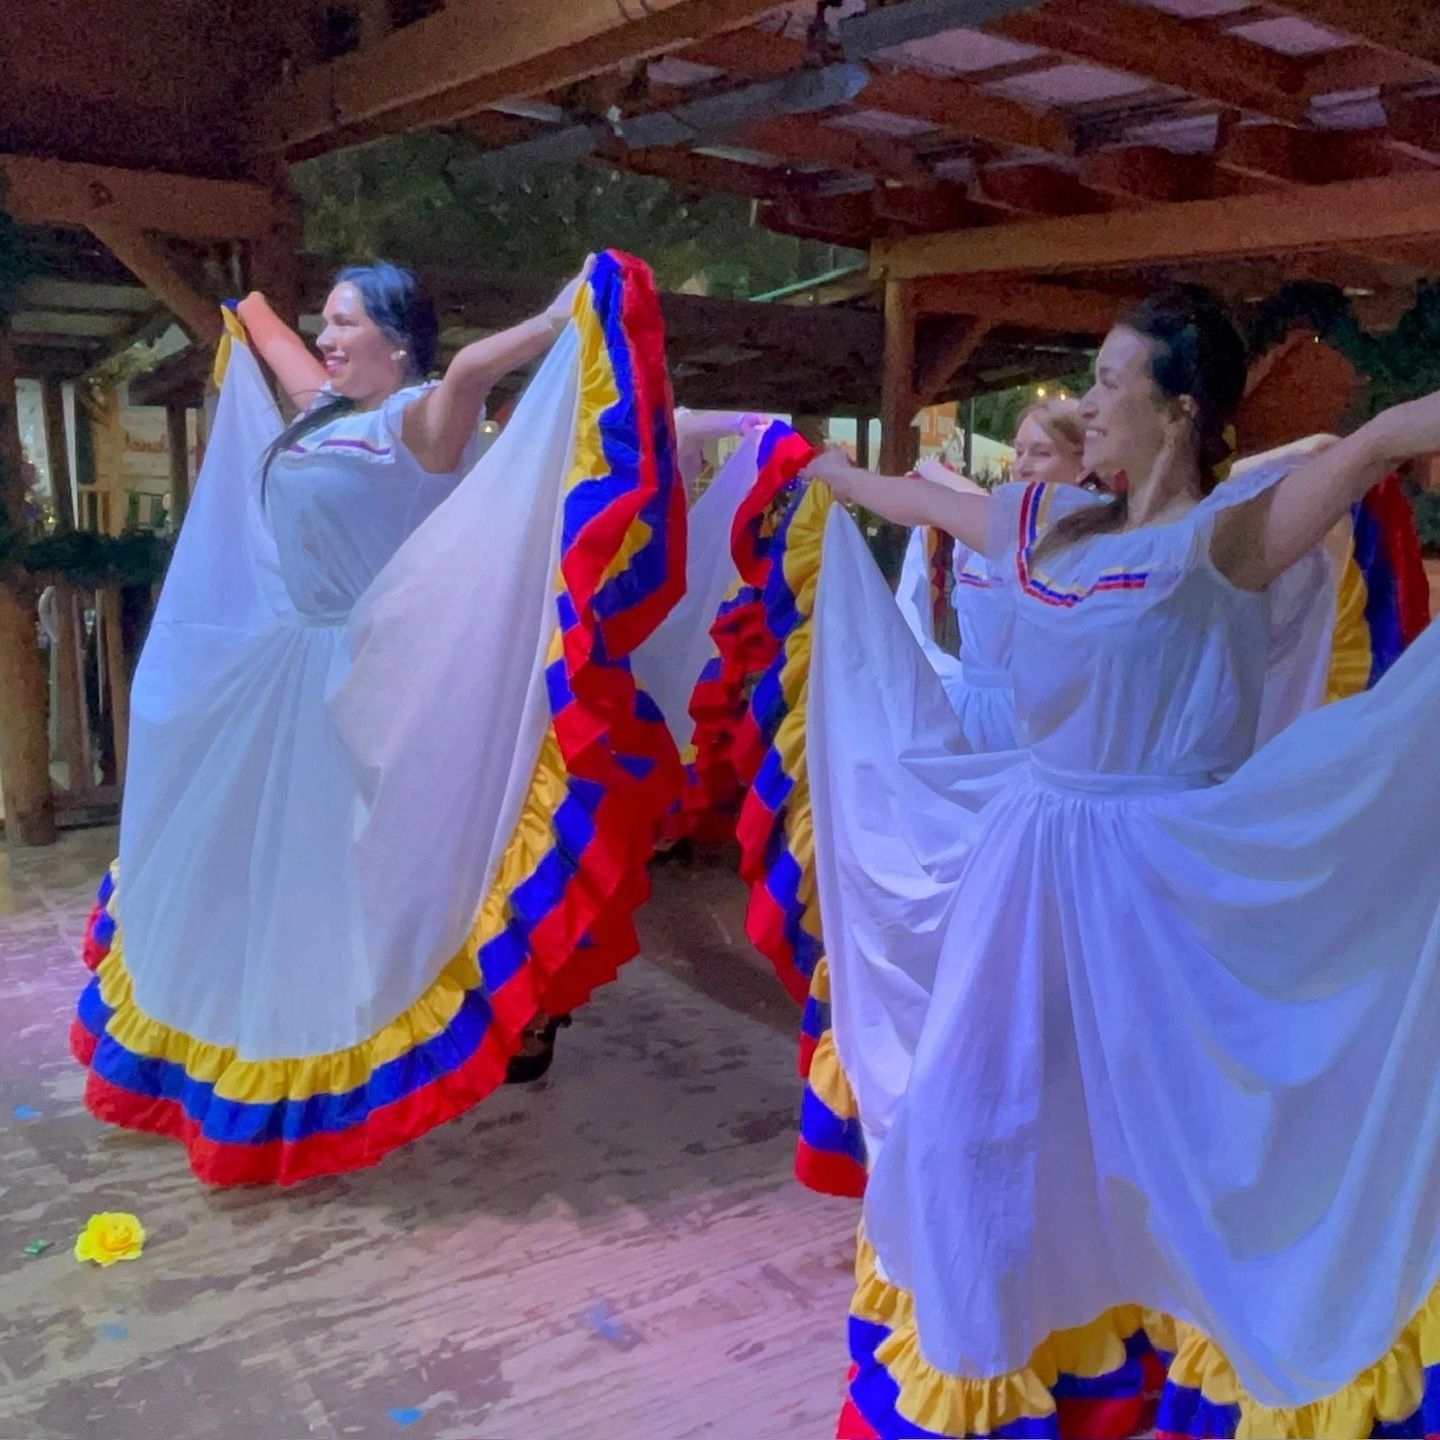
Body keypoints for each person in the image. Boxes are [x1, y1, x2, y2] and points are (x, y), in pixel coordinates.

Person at [747, 283, 1440, 1436]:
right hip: (1026, 873)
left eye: (1113, 380)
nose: (1087, 400)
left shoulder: (1226, 537)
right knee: (981, 1122)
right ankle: (989, 1369)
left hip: (1160, 892)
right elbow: (923, 498)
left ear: (1179, 411)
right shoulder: (1045, 528)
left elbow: (1380, 440)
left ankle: (1181, 1353)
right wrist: (822, 475)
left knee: (1171, 1148)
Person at [72, 251, 686, 1183]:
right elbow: (282, 350)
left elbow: (476, 369)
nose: (327, 337)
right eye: (327, 322)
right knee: (295, 872)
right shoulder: (325, 412)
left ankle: (500, 1012)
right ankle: (293, 1008)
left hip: (382, 670)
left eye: (347, 322)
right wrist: (249, 306)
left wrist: (565, 312)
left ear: (397, 345)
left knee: (410, 864)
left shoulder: (417, 420)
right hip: (291, 669)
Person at [895, 401, 1087, 750]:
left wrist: (934, 472)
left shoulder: (1080, 534)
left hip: (1035, 714)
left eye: (1041, 453)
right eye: (1019, 452)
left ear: (1081, 465)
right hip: (972, 701)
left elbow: (997, 518)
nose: (1022, 466)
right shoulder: (990, 522)